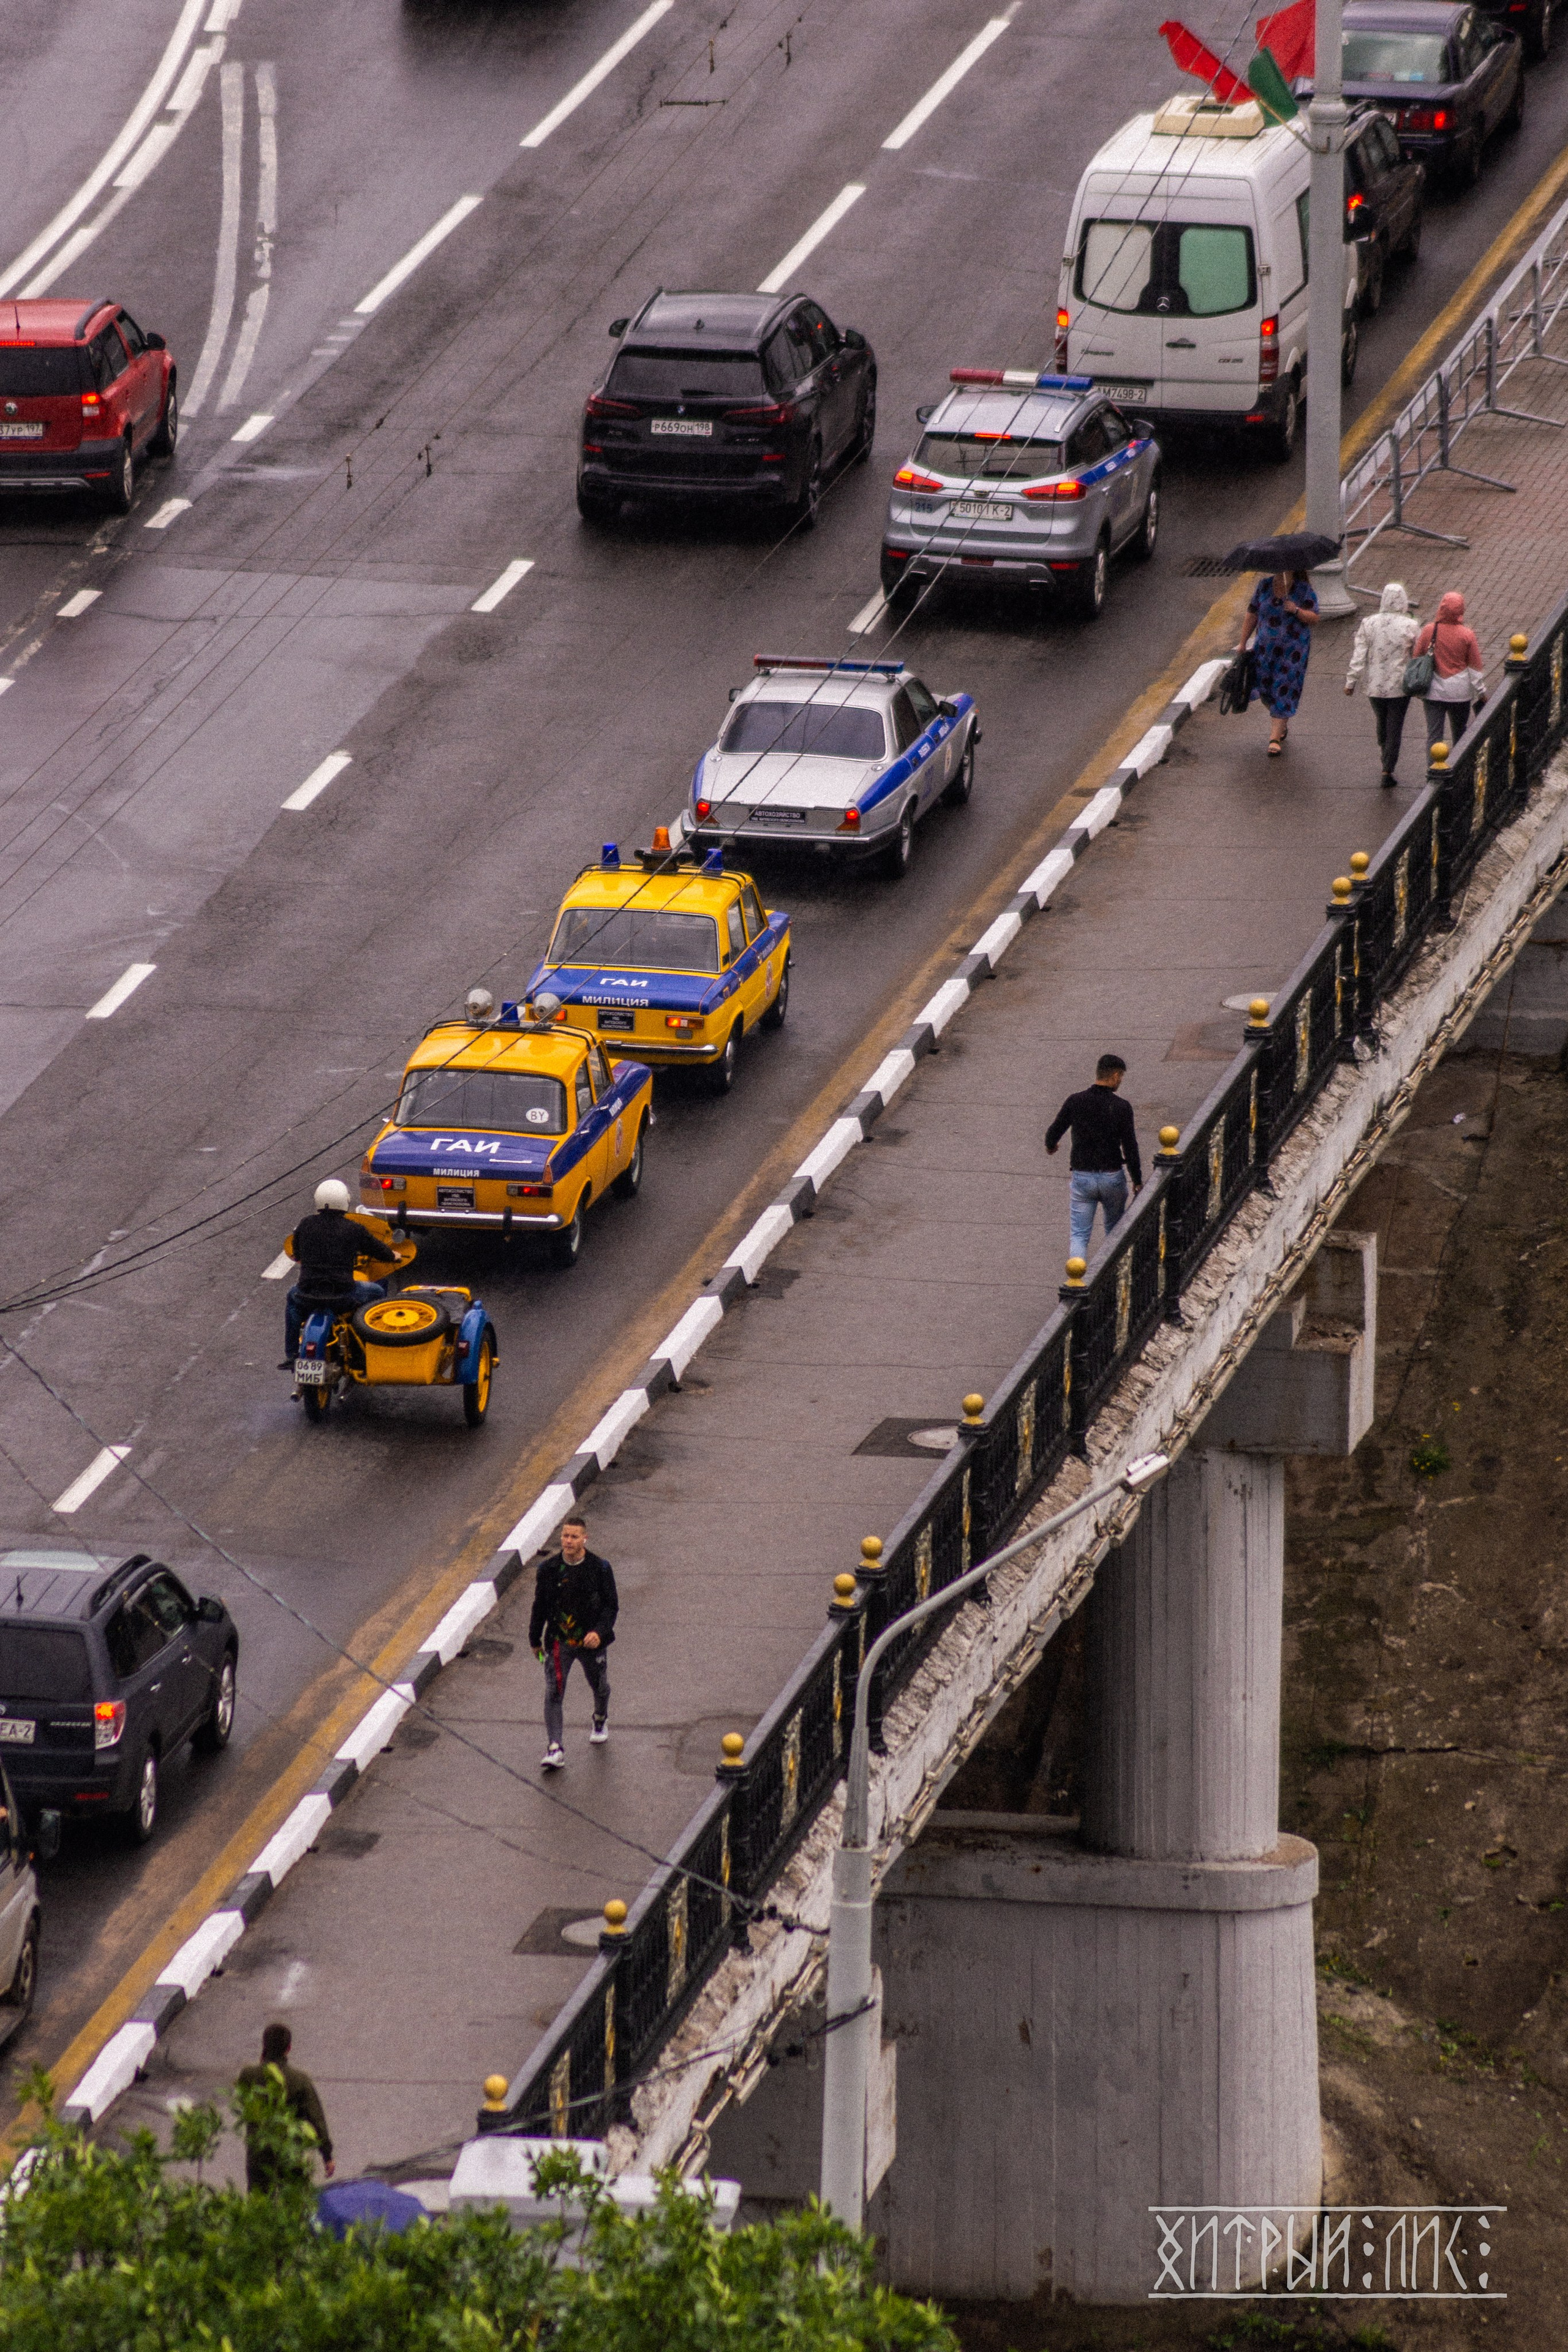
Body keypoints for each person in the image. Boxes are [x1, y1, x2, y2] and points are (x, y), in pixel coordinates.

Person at [530, 1514, 618, 1771]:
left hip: (591, 1643)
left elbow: (611, 1607)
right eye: (565, 1536)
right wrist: (535, 1639)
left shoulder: (600, 1568)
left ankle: (600, 1717)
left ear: (584, 1539)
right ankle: (555, 1747)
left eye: (574, 1537)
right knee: (554, 1691)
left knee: (599, 1685)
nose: (568, 1541)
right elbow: (539, 1606)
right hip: (559, 1642)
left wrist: (599, 1633)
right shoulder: (547, 1570)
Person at [281, 1178, 398, 1366]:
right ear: (345, 1201)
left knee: (292, 1297)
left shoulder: (305, 1224)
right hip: (343, 1296)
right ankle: (371, 1344)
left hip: (307, 1294)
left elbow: (297, 1253)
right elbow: (379, 1250)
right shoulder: (354, 1229)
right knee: (377, 1291)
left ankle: (291, 1353)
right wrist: (393, 1255)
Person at [1046, 1055, 1144, 1263]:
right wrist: (1137, 1180)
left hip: (1083, 1177)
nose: (1120, 1081)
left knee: (1079, 1235)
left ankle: (1076, 1278)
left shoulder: (1075, 1101)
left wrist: (1051, 1146)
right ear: (1115, 1076)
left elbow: (1054, 1131)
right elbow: (1130, 1146)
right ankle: (1113, 1274)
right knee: (1114, 1232)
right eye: (1121, 1077)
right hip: (1112, 1177)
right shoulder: (1122, 1107)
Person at [236, 2021, 335, 2192]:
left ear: (264, 2045)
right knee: (292, 2201)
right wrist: (327, 2155)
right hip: (290, 2154)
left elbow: (243, 2103)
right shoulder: (300, 2081)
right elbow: (316, 2118)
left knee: (259, 2203)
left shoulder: (248, 2075)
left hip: (259, 2155)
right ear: (288, 2048)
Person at [1344, 581, 1420, 786]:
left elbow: (1359, 654)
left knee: (1382, 720)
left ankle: (1384, 749)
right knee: (1395, 725)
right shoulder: (1411, 625)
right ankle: (1388, 768)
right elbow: (1417, 656)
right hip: (1400, 686)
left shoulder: (1368, 623)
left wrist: (1351, 681)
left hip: (1374, 686)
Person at [1239, 570, 1319, 755]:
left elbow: (1315, 618)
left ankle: (1274, 739)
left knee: (1284, 689)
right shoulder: (1264, 586)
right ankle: (1281, 721)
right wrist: (1243, 642)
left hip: (1293, 653)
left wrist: (1296, 610)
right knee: (1266, 691)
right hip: (1265, 651)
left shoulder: (1303, 590)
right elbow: (1252, 614)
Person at [1414, 589, 1487, 751]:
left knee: (1434, 737)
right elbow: (1474, 668)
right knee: (1460, 733)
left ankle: (1434, 766)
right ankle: (1459, 765)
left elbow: (1417, 657)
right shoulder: (1467, 634)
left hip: (1433, 691)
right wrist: (1482, 693)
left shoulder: (1429, 630)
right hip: (1460, 693)